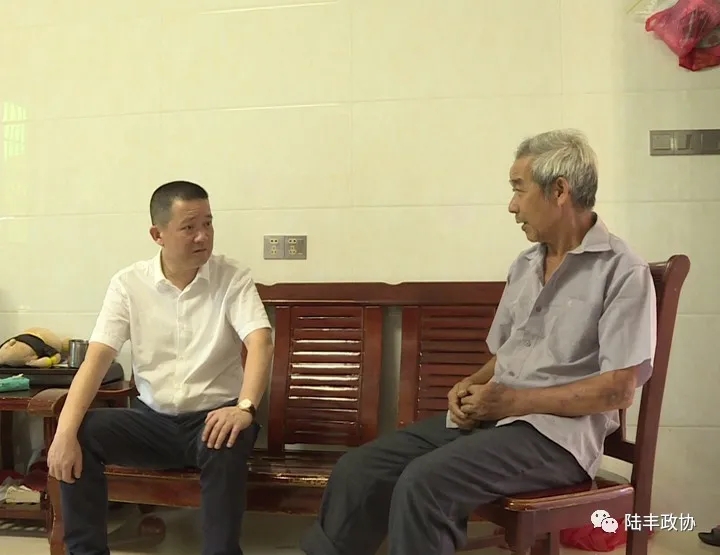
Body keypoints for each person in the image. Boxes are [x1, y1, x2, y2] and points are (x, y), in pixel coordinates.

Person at [299, 129, 657, 555]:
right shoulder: (526, 265)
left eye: (519, 189)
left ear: (559, 190)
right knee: (359, 469)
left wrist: (513, 403)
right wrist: (472, 383)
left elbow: (618, 389)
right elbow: (508, 353)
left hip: (558, 440)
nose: (512, 206)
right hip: (494, 423)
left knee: (426, 483)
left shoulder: (622, 271)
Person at [46, 181, 274, 555]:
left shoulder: (232, 277)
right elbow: (97, 359)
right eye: (189, 227)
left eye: (208, 224)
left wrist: (244, 408)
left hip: (214, 420)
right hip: (151, 423)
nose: (203, 236)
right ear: (158, 234)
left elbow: (260, 341)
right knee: (80, 433)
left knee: (227, 438)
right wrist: (64, 433)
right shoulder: (128, 284)